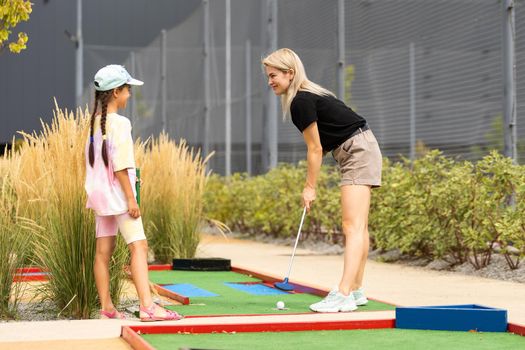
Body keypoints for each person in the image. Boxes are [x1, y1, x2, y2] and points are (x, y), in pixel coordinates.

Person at [262, 49, 382, 313]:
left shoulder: (300, 101)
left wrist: (310, 187)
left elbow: (315, 149)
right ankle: (356, 290)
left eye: (273, 75)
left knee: (352, 226)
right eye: (268, 76)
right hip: (361, 147)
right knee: (358, 227)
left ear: (289, 73)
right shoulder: (309, 95)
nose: (270, 81)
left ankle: (343, 293)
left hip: (357, 151)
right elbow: (325, 142)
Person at [85, 64, 182, 321]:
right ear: (116, 91)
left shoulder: (94, 123)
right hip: (119, 194)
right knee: (139, 245)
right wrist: (131, 198)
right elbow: (121, 165)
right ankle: (148, 307)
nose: (129, 94)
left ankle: (107, 308)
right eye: (128, 89)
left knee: (102, 252)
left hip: (99, 195)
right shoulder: (120, 123)